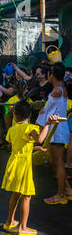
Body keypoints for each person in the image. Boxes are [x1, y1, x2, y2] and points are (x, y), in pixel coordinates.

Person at [2, 100, 59, 235]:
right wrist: (47, 124)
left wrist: (33, 148)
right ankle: (22, 227)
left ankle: (9, 222)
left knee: (16, 194)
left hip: (13, 163)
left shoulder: (12, 129)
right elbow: (40, 139)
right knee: (26, 196)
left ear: (15, 115)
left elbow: (18, 145)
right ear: (29, 115)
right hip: (23, 165)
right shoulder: (30, 128)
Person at [37, 63, 72, 205]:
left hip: (56, 128)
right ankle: (67, 189)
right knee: (52, 159)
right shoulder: (60, 88)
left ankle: (60, 194)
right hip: (55, 127)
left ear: (52, 75)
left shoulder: (57, 90)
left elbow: (46, 109)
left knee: (58, 161)